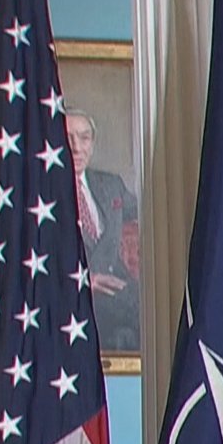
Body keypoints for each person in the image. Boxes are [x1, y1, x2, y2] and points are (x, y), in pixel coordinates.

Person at [66, 108, 140, 352]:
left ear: (93, 143)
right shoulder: (42, 197)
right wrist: (84, 280)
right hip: (75, 295)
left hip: (120, 289)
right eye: (68, 138)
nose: (77, 147)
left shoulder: (110, 184)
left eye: (84, 138)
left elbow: (148, 216)